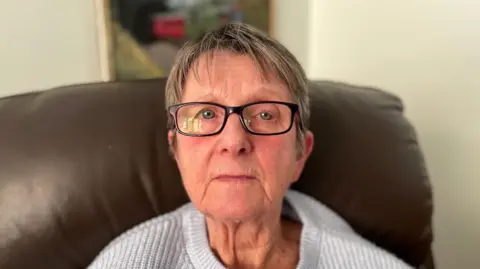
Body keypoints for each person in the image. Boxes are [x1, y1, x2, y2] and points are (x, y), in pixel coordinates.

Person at [87, 22, 413, 269]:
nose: (233, 141)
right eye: (206, 113)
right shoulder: (127, 261)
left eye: (266, 114)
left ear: (301, 154)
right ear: (176, 149)